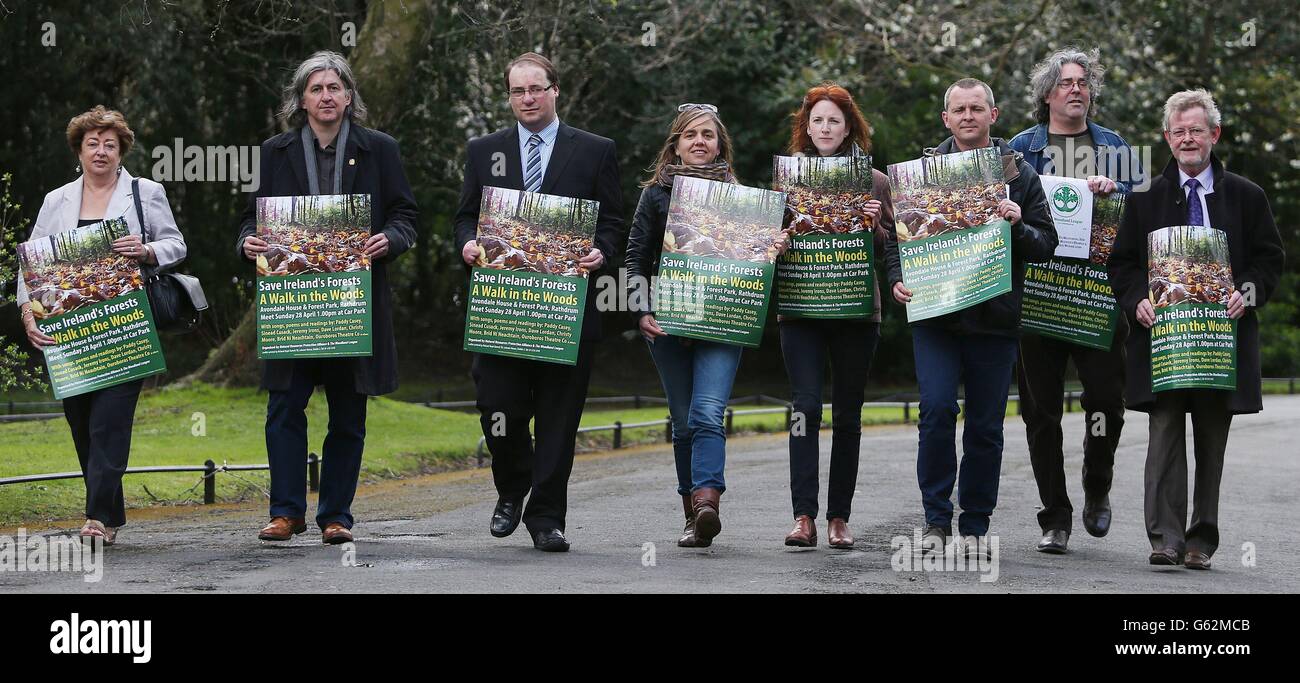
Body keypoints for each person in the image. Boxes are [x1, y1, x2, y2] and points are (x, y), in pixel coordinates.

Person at [238, 51, 418, 545]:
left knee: (348, 415)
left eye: (335, 88)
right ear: (300, 99)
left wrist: (392, 239)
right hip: (292, 305)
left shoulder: (380, 149)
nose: (326, 96)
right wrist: (248, 241)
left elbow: (406, 215)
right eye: (316, 89)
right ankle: (285, 513)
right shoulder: (271, 152)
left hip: (353, 303)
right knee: (283, 410)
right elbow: (248, 222)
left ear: (349, 96)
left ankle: (336, 515)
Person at [454, 52, 625, 552]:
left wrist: (602, 252)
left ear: (555, 90)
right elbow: (466, 218)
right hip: (501, 308)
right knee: (497, 406)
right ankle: (512, 487)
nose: (527, 99)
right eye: (517, 91)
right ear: (509, 96)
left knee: (558, 419)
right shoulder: (484, 150)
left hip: (567, 309)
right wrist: (467, 244)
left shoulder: (595, 150)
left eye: (536, 89)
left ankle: (547, 517)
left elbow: (612, 220)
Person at [1108, 89, 1284, 570]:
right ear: (1167, 138)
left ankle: (1200, 540)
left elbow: (1270, 260)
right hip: (1163, 339)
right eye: (1179, 131)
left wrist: (1245, 294)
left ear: (1214, 135)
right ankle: (1164, 538)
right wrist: (1135, 300)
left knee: (1211, 439)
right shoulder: (1143, 196)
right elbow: (1121, 264)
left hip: (1220, 342)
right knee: (1164, 435)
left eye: (1196, 130)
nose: (1188, 139)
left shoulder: (1248, 196)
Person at [883, 78, 1058, 559]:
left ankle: (976, 524)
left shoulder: (1019, 174)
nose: (967, 116)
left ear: (993, 115)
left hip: (995, 318)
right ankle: (936, 517)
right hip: (936, 316)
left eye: (976, 108)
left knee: (985, 426)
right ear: (946, 119)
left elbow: (1047, 245)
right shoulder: (921, 173)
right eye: (958, 109)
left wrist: (1019, 222)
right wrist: (897, 278)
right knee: (937, 411)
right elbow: (898, 242)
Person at [17, 105, 188, 545]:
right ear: (79, 149)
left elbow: (176, 245)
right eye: (92, 143)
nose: (101, 151)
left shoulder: (144, 192)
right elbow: (30, 265)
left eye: (110, 144)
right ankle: (111, 516)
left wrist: (147, 250)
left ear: (121, 151)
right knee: (81, 422)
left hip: (125, 325)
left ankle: (94, 517)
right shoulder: (56, 200)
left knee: (109, 422)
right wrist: (27, 313)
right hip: (69, 332)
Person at [1008, 48, 1145, 554]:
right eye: (1066, 82)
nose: (1076, 89)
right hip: (1038, 296)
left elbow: (1142, 221)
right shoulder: (1020, 149)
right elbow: (1000, 212)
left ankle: (1097, 482)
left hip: (1098, 298)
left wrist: (1117, 194)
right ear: (1047, 93)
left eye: (1083, 82)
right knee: (1039, 412)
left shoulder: (1115, 147)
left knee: (1106, 402)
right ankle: (1055, 516)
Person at [625, 103, 763, 548]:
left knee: (707, 413)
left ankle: (708, 503)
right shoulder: (655, 195)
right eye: (690, 135)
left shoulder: (742, 199)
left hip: (722, 321)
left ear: (720, 144)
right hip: (668, 321)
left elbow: (754, 263)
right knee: (683, 423)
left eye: (707, 135)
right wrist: (640, 309)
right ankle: (691, 516)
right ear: (676, 145)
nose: (699, 142)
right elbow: (634, 259)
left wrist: (770, 246)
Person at [779, 84, 893, 549]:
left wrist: (876, 226)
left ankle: (838, 518)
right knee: (804, 409)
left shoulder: (876, 181)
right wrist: (778, 238)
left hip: (855, 311)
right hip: (801, 308)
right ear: (806, 128)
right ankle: (803, 517)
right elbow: (767, 243)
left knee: (848, 414)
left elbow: (896, 247)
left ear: (850, 129)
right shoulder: (786, 180)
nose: (824, 128)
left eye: (834, 121)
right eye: (817, 121)